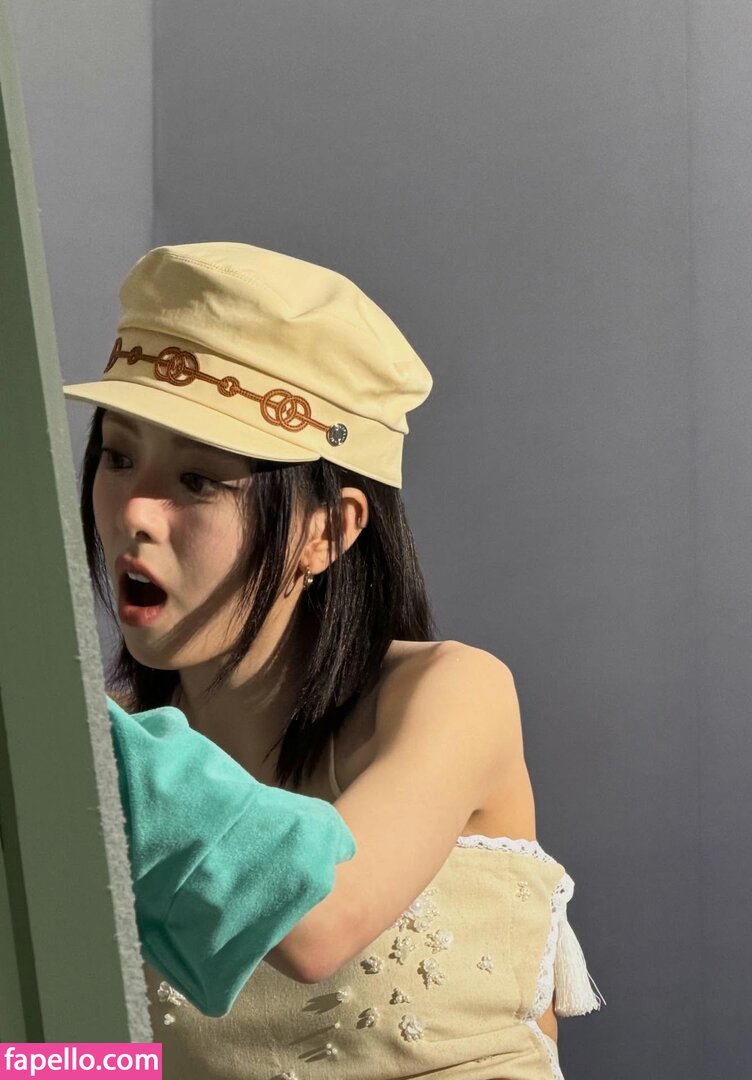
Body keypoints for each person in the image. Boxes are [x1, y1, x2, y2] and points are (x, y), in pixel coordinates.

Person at [63, 242, 604, 1079]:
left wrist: (49, 720)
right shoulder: (104, 745)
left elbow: (320, 919)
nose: (134, 510)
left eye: (199, 480)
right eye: (119, 455)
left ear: (328, 530)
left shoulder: (452, 693)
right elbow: (82, 1058)